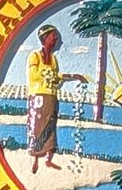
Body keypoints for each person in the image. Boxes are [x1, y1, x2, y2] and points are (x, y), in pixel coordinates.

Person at [24, 26, 87, 170]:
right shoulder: (35, 56)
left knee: (51, 125)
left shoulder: (53, 58)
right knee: (37, 125)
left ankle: (48, 158)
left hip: (51, 95)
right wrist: (51, 76)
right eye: (53, 36)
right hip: (38, 95)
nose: (56, 39)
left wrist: (72, 76)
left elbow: (57, 79)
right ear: (45, 38)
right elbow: (34, 75)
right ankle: (35, 158)